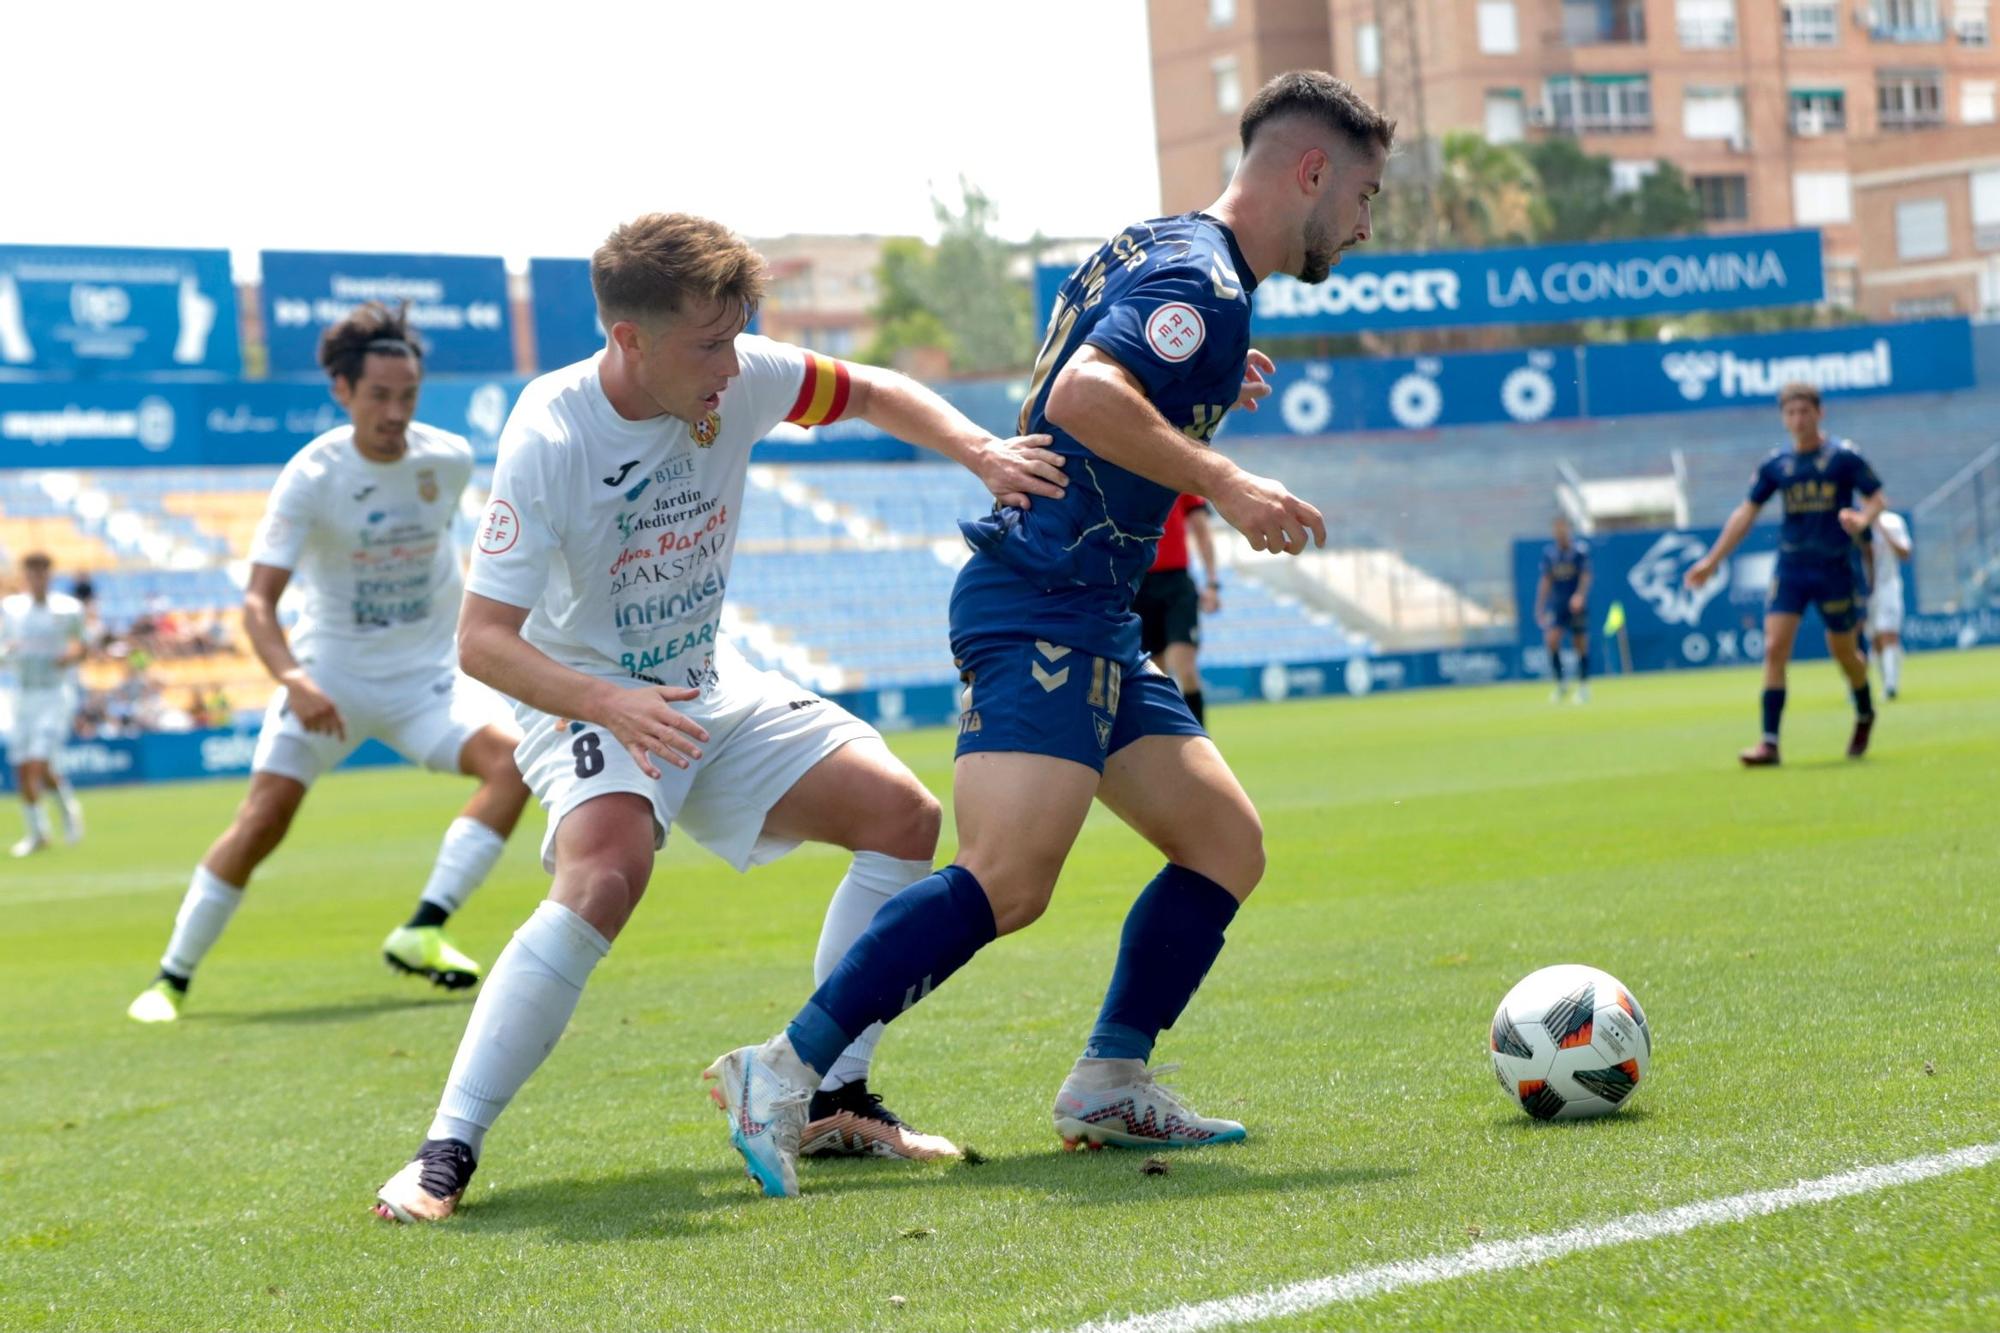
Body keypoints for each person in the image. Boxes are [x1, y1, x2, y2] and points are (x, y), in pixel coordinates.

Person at [703, 70, 1393, 1199]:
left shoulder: (1172, 250)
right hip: (1039, 601)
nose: (1364, 225)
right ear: (1310, 171)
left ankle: (1109, 1077)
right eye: (1362, 194)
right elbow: (1079, 392)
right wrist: (1223, 477)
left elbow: (1113, 372)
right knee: (1008, 878)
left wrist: (1205, 389)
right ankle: (777, 1072)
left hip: (1089, 613)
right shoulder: (1199, 276)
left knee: (1224, 843)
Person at [371, 211, 1070, 1223]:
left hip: (707, 683)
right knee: (607, 873)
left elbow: (867, 387)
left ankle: (826, 1093)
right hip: (584, 694)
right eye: (707, 343)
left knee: (901, 819)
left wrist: (977, 450)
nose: (730, 363)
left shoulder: (736, 376)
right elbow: (482, 642)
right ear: (628, 339)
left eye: (737, 334)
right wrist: (609, 700)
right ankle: (445, 1150)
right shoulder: (552, 431)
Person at [126, 303, 532, 1024]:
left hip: (424, 679)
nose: (395, 411)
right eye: (379, 395)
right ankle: (169, 979)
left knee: (512, 764)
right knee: (262, 819)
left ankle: (424, 926)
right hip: (330, 678)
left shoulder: (449, 457)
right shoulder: (311, 475)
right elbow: (258, 603)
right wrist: (294, 680)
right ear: (343, 391)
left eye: (407, 395)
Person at [1685, 381, 1885, 766]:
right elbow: (1746, 513)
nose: (1798, 420)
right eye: (1790, 413)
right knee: (1775, 647)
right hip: (1792, 567)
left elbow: (1876, 497)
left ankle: (1864, 711)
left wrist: (1862, 519)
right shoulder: (1777, 465)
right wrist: (1712, 561)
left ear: (1819, 413)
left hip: (1835, 567)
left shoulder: (1844, 457)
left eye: (1804, 412)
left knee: (1843, 652)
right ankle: (1769, 743)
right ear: (1783, 418)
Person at [2, 553, 87, 855]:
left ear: (50, 575)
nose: (38, 577)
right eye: (32, 572)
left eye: (43, 572)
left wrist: (70, 657)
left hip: (54, 694)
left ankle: (59, 821)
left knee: (37, 763)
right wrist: (7, 653)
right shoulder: (11, 610)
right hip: (23, 695)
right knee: (23, 768)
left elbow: (82, 646)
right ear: (25, 575)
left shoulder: (68, 609)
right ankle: (40, 832)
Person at [1135, 494, 1221, 723]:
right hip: (1139, 585)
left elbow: (1202, 530)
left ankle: (1201, 740)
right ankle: (1169, 748)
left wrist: (1212, 582)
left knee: (1184, 668)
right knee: (1156, 676)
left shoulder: (1179, 476)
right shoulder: (1129, 473)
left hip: (1176, 584)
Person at [1535, 515, 1592, 704]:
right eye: (1557, 529)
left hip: (1575, 606)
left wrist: (1580, 596)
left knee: (1579, 643)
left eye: (1563, 528)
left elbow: (1586, 576)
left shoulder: (1579, 551)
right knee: (1551, 640)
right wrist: (1540, 606)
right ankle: (1561, 684)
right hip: (1558, 605)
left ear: (1568, 530)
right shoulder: (1550, 554)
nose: (1560, 532)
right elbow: (1545, 580)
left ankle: (1583, 687)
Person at [1864, 509, 1912, 700]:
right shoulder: (1858, 522)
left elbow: (1905, 552)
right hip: (1866, 589)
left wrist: (1883, 530)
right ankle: (1885, 683)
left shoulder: (1893, 522)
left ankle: (1892, 685)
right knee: (1875, 639)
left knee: (1889, 633)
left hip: (1888, 585)